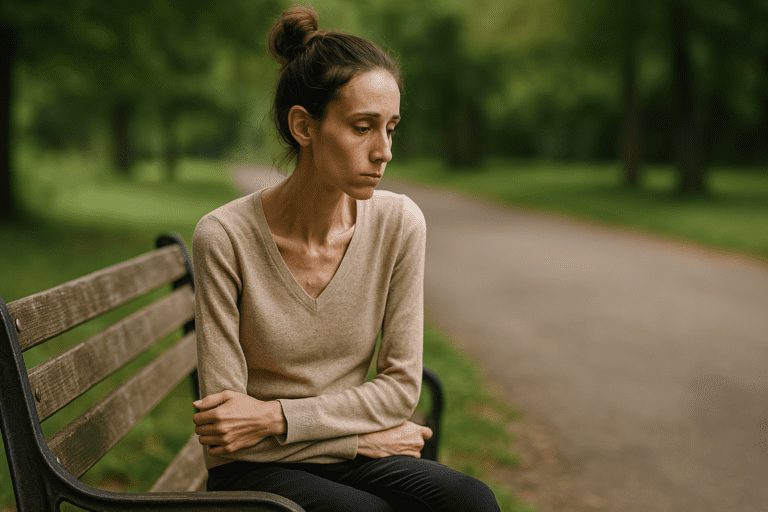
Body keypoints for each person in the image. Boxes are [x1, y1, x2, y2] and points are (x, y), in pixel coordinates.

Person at [191, 6, 501, 511]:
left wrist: (275, 418)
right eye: (362, 127)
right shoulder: (225, 237)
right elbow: (228, 433)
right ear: (304, 127)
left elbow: (401, 389)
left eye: (391, 128)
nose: (384, 152)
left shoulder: (399, 224)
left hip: (319, 445)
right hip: (257, 471)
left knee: (470, 500)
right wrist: (358, 440)